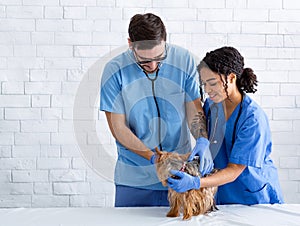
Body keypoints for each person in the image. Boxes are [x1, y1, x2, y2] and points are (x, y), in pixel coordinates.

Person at [100, 13, 211, 207]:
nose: (152, 66)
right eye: (144, 61)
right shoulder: (114, 71)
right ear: (130, 44)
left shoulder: (184, 61)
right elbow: (118, 127)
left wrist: (202, 139)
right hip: (134, 180)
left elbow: (194, 110)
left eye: (159, 59)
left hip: (180, 176)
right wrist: (155, 159)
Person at [167, 46, 284, 205]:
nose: (207, 90)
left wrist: (195, 183)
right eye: (204, 84)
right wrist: (201, 144)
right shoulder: (211, 105)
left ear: (231, 78)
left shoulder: (253, 118)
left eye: (212, 83)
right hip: (223, 192)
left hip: (253, 195)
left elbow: (235, 169)